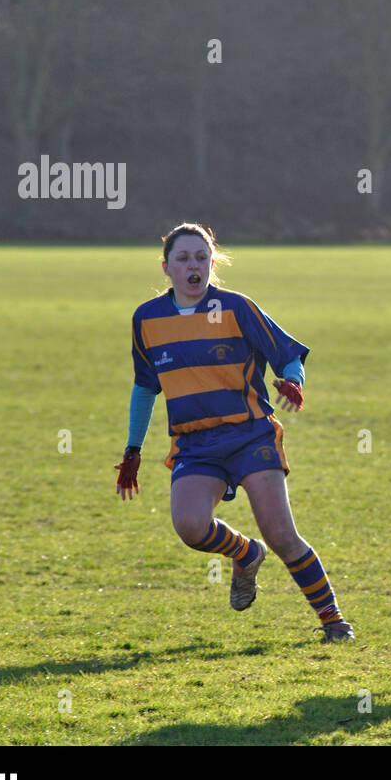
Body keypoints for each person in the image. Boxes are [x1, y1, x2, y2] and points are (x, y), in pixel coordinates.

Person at [114, 223, 354, 642]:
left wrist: (294, 381)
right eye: (184, 258)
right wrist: (133, 450)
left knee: (282, 534)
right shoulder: (147, 319)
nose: (194, 266)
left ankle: (333, 621)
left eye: (202, 258)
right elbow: (145, 385)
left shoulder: (236, 307)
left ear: (213, 262)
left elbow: (288, 355)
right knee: (190, 526)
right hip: (195, 443)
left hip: (250, 435)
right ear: (166, 266)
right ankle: (246, 553)